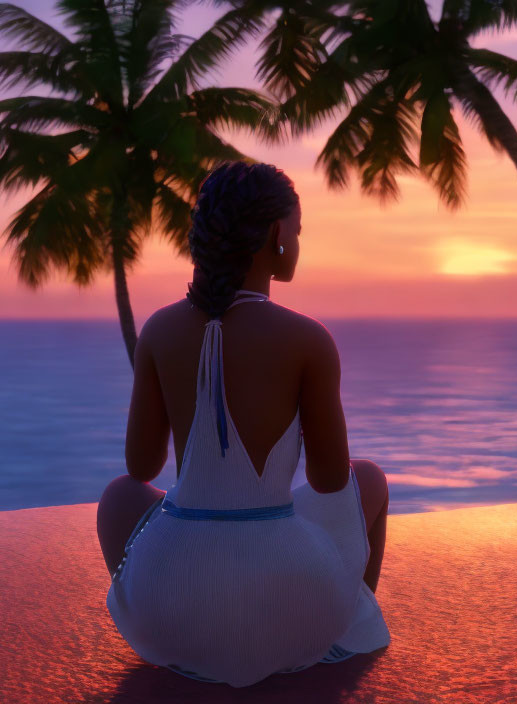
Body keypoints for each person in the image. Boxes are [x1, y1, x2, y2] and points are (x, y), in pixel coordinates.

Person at [96, 160, 391, 688]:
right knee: (368, 478)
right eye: (298, 231)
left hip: (173, 606)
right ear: (276, 235)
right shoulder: (307, 339)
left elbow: (140, 466)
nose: (299, 243)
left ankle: (190, 645)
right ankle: (341, 626)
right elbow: (328, 480)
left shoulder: (161, 330)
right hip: (289, 607)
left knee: (119, 496)